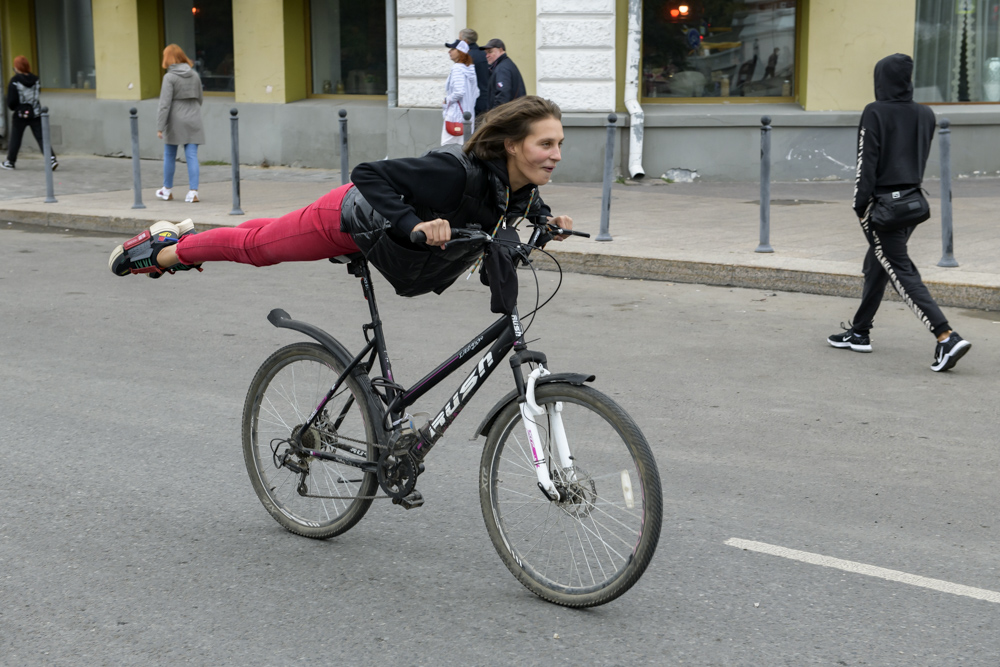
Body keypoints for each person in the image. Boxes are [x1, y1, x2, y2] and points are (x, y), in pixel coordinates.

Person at [108, 96, 574, 301]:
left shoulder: (515, 185)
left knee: (266, 233)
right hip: (349, 219)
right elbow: (368, 174)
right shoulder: (453, 173)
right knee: (257, 248)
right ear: (512, 146)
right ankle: (166, 249)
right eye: (546, 144)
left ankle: (192, 238)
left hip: (379, 237)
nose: (556, 155)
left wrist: (548, 222)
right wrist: (414, 224)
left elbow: (518, 206)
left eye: (559, 144)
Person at [828, 53, 971, 372]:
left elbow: (866, 162)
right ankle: (860, 331)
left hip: (882, 207)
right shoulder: (925, 114)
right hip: (912, 203)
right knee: (878, 263)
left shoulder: (875, 111)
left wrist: (860, 206)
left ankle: (945, 336)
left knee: (899, 269)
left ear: (882, 80)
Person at [156, 44, 205, 203]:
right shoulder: (194, 75)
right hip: (194, 117)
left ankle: (167, 190)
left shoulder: (169, 77)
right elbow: (200, 98)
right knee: (192, 156)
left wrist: (160, 127)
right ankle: (193, 192)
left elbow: (164, 104)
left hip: (175, 119)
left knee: (170, 155)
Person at [2, 56, 57, 171]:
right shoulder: (36, 79)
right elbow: (38, 93)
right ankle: (51, 159)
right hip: (36, 112)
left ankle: (10, 162)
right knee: (42, 137)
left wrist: (17, 107)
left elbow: (11, 102)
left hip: (20, 114)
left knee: (16, 138)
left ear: (17, 67)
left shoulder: (15, 81)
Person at [441, 40, 480, 146]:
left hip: (455, 116)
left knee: (446, 148)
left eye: (452, 49)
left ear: (460, 51)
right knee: (463, 148)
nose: (449, 51)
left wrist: (446, 100)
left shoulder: (457, 69)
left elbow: (459, 92)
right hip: (467, 116)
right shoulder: (469, 69)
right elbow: (476, 92)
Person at [483, 39, 526, 110]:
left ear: (500, 50)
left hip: (508, 113)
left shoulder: (502, 68)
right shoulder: (505, 65)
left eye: (490, 52)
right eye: (486, 53)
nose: (487, 56)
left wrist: (495, 114)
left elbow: (502, 96)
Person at [460, 28, 490, 116]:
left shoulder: (467, 57)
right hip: (487, 98)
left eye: (460, 40)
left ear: (465, 41)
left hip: (474, 101)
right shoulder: (485, 54)